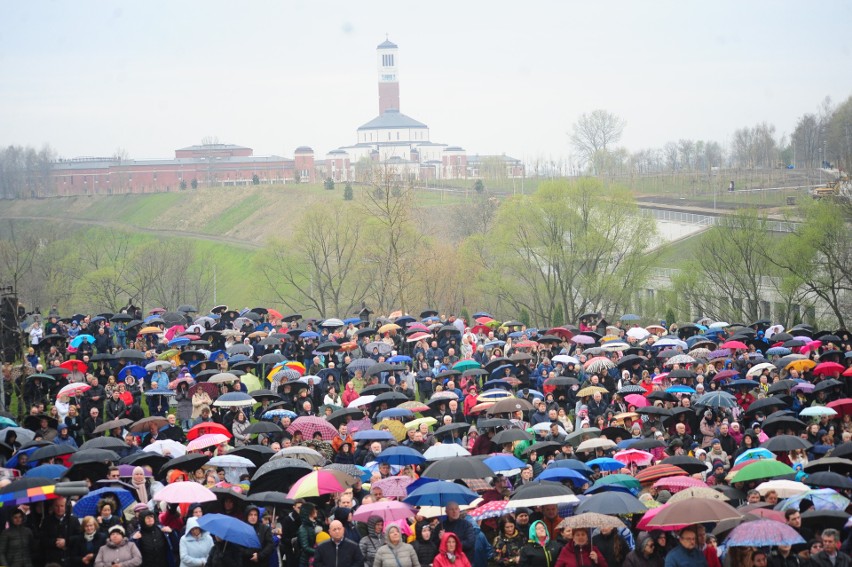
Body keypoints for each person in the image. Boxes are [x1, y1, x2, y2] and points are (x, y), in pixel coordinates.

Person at [297, 502, 319, 567]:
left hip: (313, 559)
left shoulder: (313, 524)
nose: (315, 511)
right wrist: (319, 551)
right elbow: (305, 547)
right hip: (306, 562)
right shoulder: (303, 529)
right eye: (313, 510)